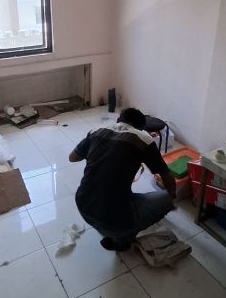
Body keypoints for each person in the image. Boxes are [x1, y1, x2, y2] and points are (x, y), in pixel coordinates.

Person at [69, 107, 176, 251]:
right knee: (166, 199)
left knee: (115, 196)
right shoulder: (143, 140)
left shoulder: (96, 131)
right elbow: (167, 177)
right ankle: (122, 239)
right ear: (141, 128)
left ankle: (106, 228)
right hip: (116, 220)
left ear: (119, 120)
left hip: (83, 206)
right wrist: (173, 196)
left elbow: (72, 157)